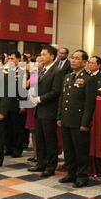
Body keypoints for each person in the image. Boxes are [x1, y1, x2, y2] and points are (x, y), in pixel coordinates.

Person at [57, 50, 97, 187]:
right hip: (67, 119)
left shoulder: (89, 79)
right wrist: (59, 116)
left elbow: (89, 104)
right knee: (68, 149)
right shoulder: (68, 76)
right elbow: (63, 99)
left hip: (79, 120)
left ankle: (82, 175)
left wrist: (85, 123)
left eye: (76, 58)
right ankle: (71, 173)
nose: (73, 60)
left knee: (80, 150)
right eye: (72, 58)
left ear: (85, 62)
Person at [28, 45, 64, 177]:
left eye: (44, 54)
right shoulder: (42, 70)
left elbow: (56, 92)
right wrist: (34, 72)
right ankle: (41, 163)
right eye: (41, 54)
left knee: (50, 140)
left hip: (49, 110)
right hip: (39, 110)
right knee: (40, 138)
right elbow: (31, 85)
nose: (41, 57)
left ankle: (51, 166)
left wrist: (39, 99)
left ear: (52, 56)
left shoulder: (57, 71)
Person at [4, 51, 27, 158]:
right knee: (8, 127)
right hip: (7, 103)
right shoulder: (6, 70)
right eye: (9, 58)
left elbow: (24, 89)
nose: (10, 61)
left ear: (18, 59)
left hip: (17, 103)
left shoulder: (22, 71)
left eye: (12, 58)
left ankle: (17, 148)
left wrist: (23, 104)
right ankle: (8, 147)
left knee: (17, 128)